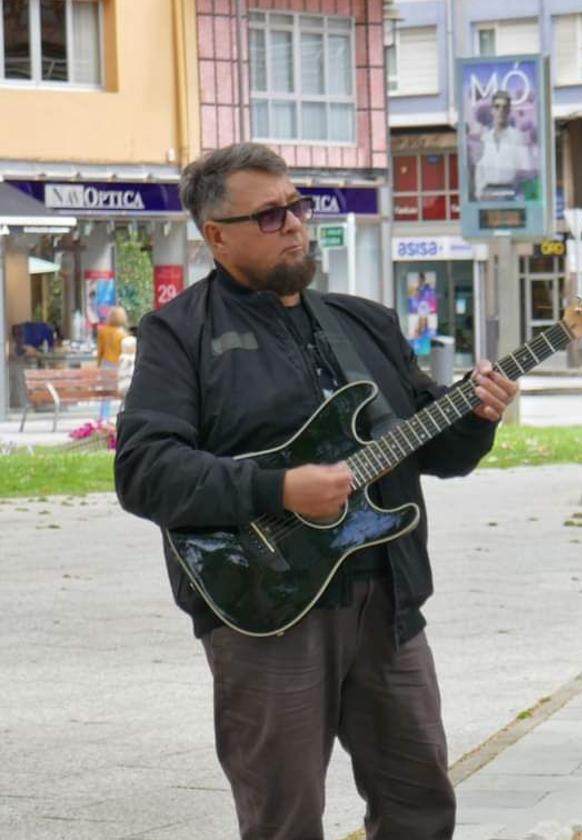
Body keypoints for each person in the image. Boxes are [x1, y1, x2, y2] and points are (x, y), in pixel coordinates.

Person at [113, 142, 517, 839]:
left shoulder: (364, 322)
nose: (295, 224)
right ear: (217, 236)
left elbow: (435, 452)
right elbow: (145, 470)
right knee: (286, 817)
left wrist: (477, 416)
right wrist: (277, 489)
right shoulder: (178, 334)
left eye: (296, 206)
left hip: (387, 599)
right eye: (269, 216)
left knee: (421, 804)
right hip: (264, 607)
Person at [473, 89, 533, 200]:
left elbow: (526, 171)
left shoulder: (518, 138)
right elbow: (479, 172)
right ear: (492, 110)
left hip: (512, 199)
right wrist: (480, 195)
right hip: (488, 201)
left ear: (509, 110)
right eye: (497, 106)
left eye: (505, 107)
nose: (501, 110)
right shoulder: (484, 139)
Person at [96, 305, 127, 422]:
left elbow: (100, 350)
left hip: (106, 363)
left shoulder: (103, 331)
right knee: (122, 392)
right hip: (119, 365)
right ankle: (121, 414)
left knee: (106, 393)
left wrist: (98, 364)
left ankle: (104, 417)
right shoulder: (122, 334)